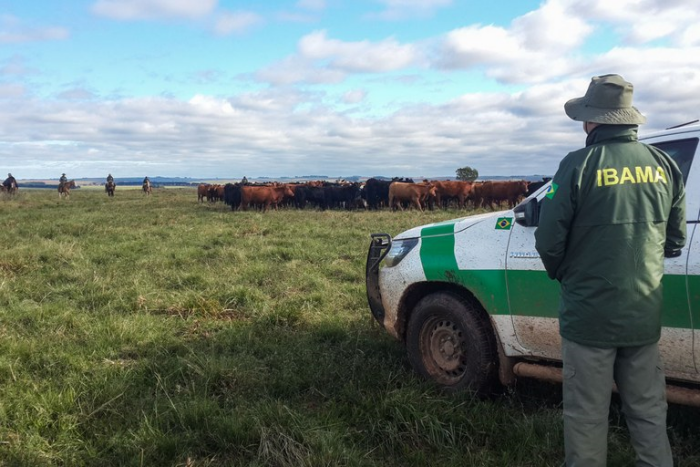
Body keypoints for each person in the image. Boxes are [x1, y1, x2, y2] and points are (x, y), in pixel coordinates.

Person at [535, 74, 686, 466]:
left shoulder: (576, 166)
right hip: (642, 314)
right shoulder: (664, 165)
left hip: (589, 317)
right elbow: (675, 241)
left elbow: (548, 240)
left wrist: (567, 274)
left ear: (593, 121)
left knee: (586, 415)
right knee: (650, 410)